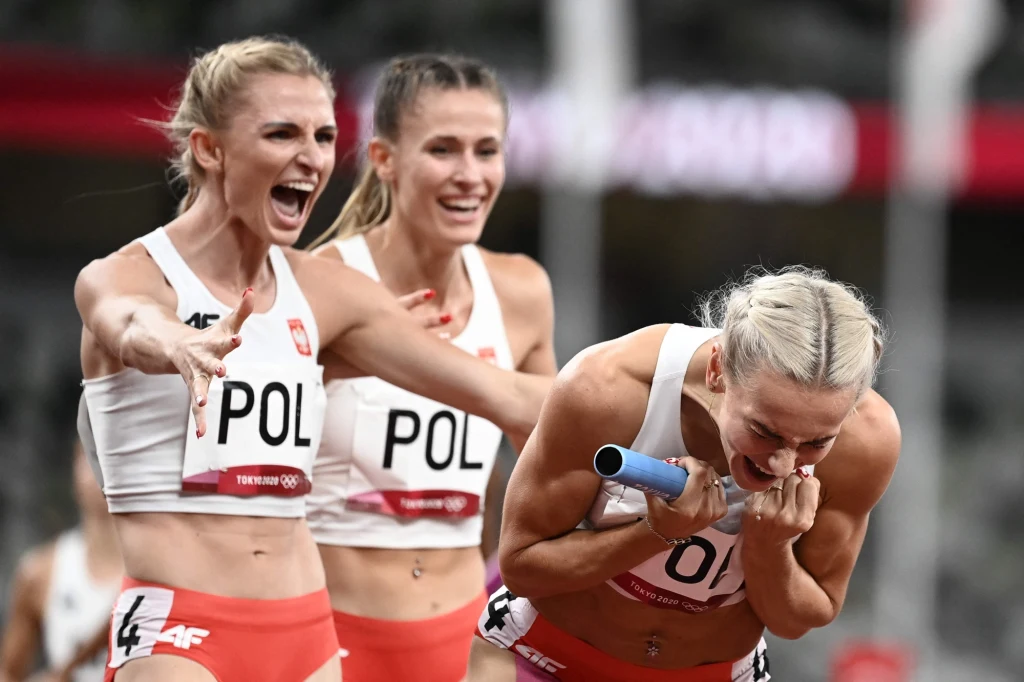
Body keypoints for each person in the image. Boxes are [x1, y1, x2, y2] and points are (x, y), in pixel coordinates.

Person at [74, 36, 550, 682]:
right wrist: (178, 343)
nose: (312, 158)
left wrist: (678, 398)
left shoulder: (327, 294)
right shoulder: (127, 274)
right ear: (209, 149)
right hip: (181, 630)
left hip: (305, 635)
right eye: (281, 134)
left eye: (323, 137)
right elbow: (125, 321)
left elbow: (508, 396)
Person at [468, 267, 902, 682]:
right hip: (542, 657)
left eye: (815, 443)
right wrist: (656, 532)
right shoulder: (607, 387)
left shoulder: (867, 441)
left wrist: (770, 548)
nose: (783, 464)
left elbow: (798, 620)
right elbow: (522, 567)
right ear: (718, 371)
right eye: (763, 431)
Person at [304, 54, 558, 682]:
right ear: (385, 159)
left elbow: (554, 466)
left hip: (463, 639)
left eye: (486, 150)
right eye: (443, 149)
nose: (470, 175)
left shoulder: (522, 291)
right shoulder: (318, 283)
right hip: (328, 634)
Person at [0, 440, 122, 682]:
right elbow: (9, 671)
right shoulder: (40, 572)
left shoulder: (163, 575)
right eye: (91, 456)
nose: (100, 469)